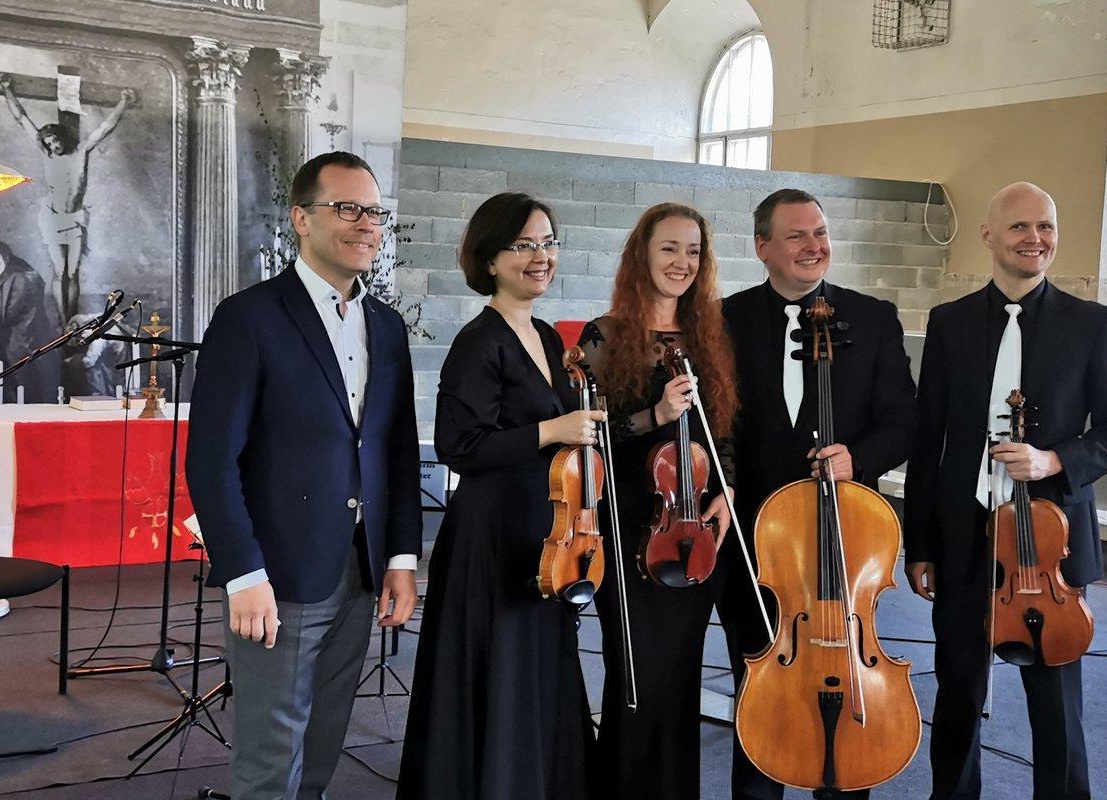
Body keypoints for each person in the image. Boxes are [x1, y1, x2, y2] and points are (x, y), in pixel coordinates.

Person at [185, 151, 421, 800]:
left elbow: (396, 451)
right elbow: (210, 461)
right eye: (347, 208)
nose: (366, 223)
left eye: (374, 211)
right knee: (270, 761)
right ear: (302, 219)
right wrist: (243, 573)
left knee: (321, 746)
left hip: (359, 571)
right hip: (279, 575)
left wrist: (401, 556)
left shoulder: (386, 327)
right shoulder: (251, 317)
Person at [903, 182, 1107, 800]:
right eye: (1020, 228)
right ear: (989, 235)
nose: (1035, 240)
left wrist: (1054, 458)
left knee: (1056, 701)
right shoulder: (948, 323)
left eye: (1046, 228)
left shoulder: (1092, 325)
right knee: (958, 690)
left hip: (1052, 545)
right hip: (964, 535)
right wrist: (920, 543)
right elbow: (931, 440)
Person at [398, 193, 604, 800]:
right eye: (522, 245)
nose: (539, 257)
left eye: (547, 243)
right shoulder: (478, 340)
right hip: (491, 536)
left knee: (538, 667)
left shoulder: (542, 333)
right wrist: (551, 429)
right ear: (489, 259)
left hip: (545, 534)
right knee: (502, 668)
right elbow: (460, 447)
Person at [718, 188, 920, 799]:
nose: (815, 247)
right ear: (762, 247)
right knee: (761, 696)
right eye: (798, 236)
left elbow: (906, 419)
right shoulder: (726, 319)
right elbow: (717, 424)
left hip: (848, 545)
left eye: (821, 233)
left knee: (848, 694)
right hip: (757, 546)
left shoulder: (873, 316)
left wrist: (858, 458)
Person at [578, 202, 739, 798]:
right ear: (642, 254)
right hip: (627, 532)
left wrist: (728, 490)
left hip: (695, 532)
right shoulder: (606, 336)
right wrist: (657, 414)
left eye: (694, 251)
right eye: (669, 248)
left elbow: (724, 434)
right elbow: (591, 434)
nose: (682, 262)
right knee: (634, 673)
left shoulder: (710, 340)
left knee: (679, 677)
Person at [0, 73, 138, 317]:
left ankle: (71, 319)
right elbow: (22, 119)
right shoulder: (47, 155)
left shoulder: (80, 152)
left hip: (75, 218)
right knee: (59, 271)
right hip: (52, 217)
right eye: (48, 143)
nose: (52, 146)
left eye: (54, 141)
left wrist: (123, 102)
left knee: (73, 272)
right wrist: (7, 89)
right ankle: (63, 322)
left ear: (62, 138)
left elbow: (104, 129)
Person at [0, 240, 62, 402]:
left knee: (24, 378)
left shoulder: (20, 275)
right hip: (7, 334)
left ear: (5, 253)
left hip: (22, 335)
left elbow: (13, 310)